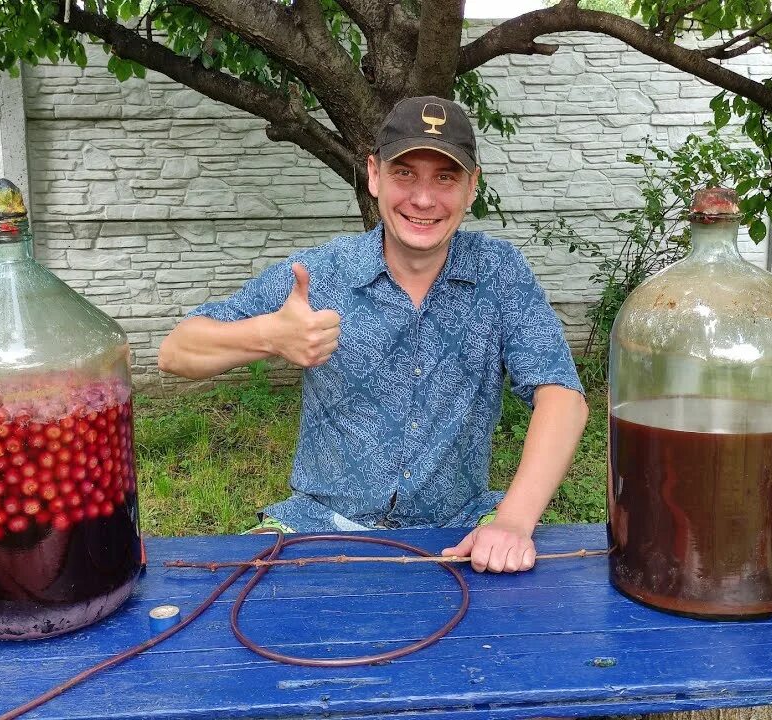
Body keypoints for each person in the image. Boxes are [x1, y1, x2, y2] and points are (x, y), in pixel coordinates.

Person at [157, 96, 588, 573]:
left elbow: (563, 397)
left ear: (471, 188)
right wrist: (268, 336)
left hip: (457, 530)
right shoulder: (320, 273)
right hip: (318, 524)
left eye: (445, 177)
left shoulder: (500, 273)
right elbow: (177, 350)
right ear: (375, 174)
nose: (424, 199)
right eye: (405, 173)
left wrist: (513, 520)